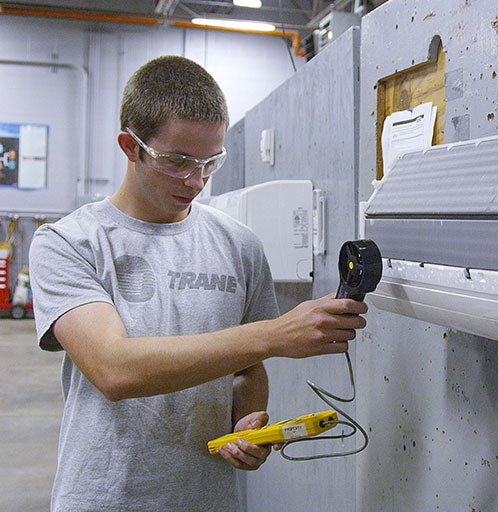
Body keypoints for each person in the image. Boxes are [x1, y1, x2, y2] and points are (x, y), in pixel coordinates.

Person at [29, 55, 367, 512]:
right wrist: (274, 334)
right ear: (131, 147)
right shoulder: (69, 242)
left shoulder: (239, 245)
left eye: (211, 161)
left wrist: (247, 423)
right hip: (104, 497)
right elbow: (113, 369)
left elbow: (248, 368)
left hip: (207, 498)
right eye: (178, 161)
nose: (196, 180)